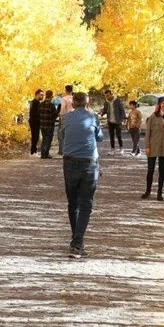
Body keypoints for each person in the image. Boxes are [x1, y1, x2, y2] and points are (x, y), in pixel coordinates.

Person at [60, 92, 103, 258]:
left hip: (69, 162)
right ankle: (77, 243)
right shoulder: (93, 118)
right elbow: (99, 137)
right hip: (88, 163)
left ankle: (76, 238)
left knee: (73, 203)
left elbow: (62, 137)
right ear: (87, 103)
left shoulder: (66, 118)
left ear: (72, 103)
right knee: (86, 204)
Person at [142, 98, 164, 200]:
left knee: (162, 171)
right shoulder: (153, 117)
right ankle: (148, 191)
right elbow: (148, 133)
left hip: (163, 148)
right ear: (160, 104)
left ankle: (159, 193)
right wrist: (147, 146)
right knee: (150, 170)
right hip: (153, 146)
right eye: (163, 103)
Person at [103, 89, 127, 154]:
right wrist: (101, 113)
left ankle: (121, 148)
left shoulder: (117, 101)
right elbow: (105, 110)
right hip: (110, 121)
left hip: (117, 121)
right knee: (111, 136)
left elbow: (122, 109)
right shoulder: (106, 102)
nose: (107, 97)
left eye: (108, 96)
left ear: (111, 94)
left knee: (119, 135)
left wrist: (124, 118)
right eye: (106, 96)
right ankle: (112, 149)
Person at [37, 89, 59, 159]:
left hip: (42, 124)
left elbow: (38, 114)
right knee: (48, 139)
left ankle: (43, 154)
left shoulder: (40, 104)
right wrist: (57, 111)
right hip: (49, 124)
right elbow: (55, 115)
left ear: (46, 95)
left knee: (44, 139)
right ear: (51, 96)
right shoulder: (51, 105)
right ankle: (45, 154)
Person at [57, 84, 74, 155]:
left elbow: (63, 108)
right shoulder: (74, 98)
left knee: (61, 134)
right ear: (72, 90)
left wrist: (60, 114)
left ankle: (62, 151)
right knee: (72, 134)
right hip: (73, 117)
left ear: (65, 90)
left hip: (65, 118)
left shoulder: (64, 99)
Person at [28, 89, 44, 155]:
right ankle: (33, 151)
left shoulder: (33, 102)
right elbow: (36, 113)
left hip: (33, 121)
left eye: (43, 95)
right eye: (41, 95)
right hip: (35, 121)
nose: (42, 96)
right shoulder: (36, 102)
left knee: (35, 136)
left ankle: (33, 151)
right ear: (37, 94)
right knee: (35, 136)